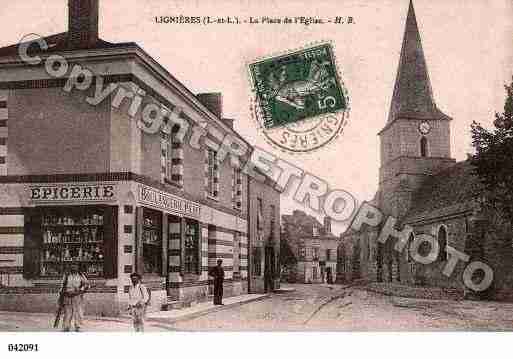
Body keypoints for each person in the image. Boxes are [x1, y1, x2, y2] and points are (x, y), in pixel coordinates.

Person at [60, 263, 89, 332]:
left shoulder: (81, 275)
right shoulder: (66, 275)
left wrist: (80, 290)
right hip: (67, 295)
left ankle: (78, 326)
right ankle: (66, 326)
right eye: (72, 266)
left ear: (78, 267)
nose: (74, 267)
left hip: (77, 296)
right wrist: (61, 294)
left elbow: (86, 284)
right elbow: (62, 285)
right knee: (67, 312)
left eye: (75, 266)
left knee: (78, 311)